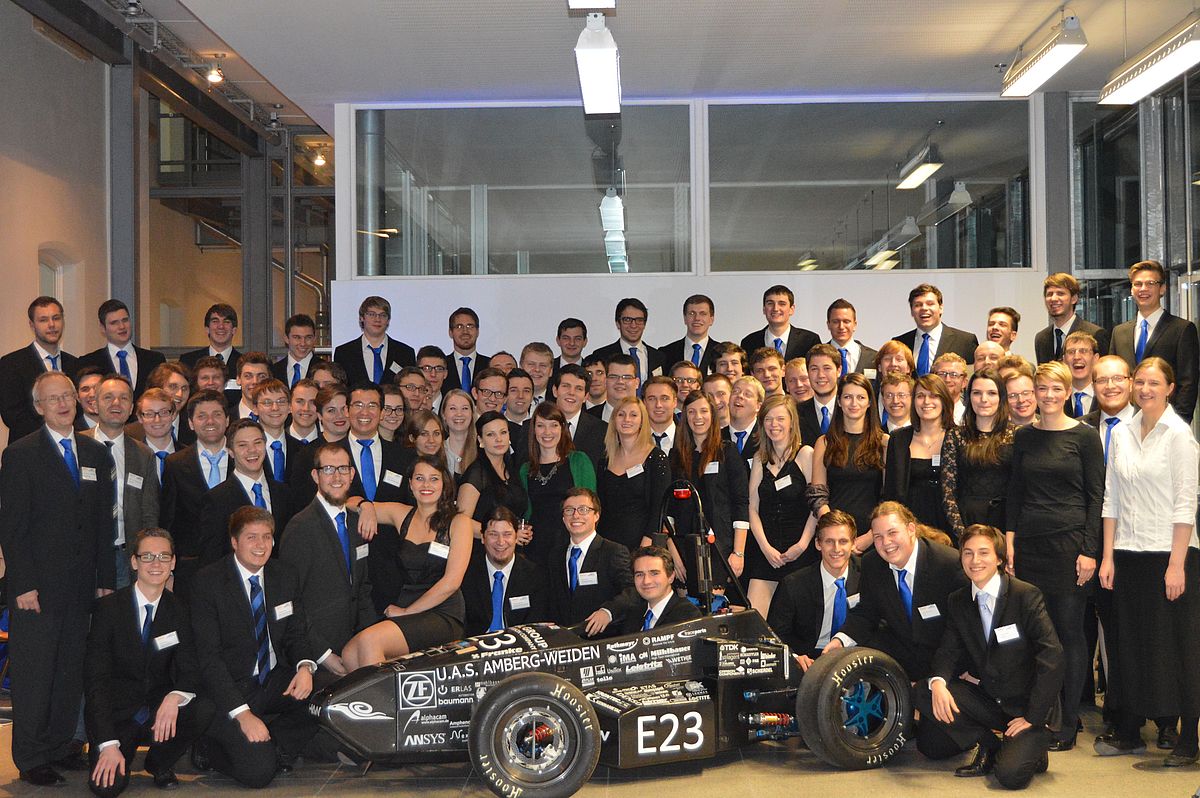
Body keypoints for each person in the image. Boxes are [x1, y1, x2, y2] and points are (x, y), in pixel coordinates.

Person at [1, 370, 116, 786]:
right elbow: (13, 527)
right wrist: (23, 585)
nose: (64, 404)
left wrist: (105, 579)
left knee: (70, 670)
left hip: (83, 586)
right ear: (39, 407)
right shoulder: (21, 454)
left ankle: (61, 746)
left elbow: (103, 524)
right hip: (37, 589)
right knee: (36, 674)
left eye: (68, 395)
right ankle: (32, 757)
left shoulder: (96, 453)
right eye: (53, 399)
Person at [1098, 357, 1200, 766]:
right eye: (1139, 382)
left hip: (1170, 555)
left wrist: (1176, 565)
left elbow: (1186, 503)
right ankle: (1130, 732)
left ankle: (1188, 739)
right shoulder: (1121, 433)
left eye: (1154, 383)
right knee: (1130, 646)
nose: (1144, 389)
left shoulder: (1179, 435)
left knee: (1178, 650)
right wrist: (1108, 556)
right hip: (1128, 553)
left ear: (1170, 388)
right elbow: (1111, 498)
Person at [915, 525, 1063, 789]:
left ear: (999, 559)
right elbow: (948, 650)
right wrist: (938, 682)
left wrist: (1033, 716)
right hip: (989, 699)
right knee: (924, 691)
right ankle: (989, 744)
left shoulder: (1025, 595)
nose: (975, 560)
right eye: (968, 553)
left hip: (1026, 706)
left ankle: (1034, 747)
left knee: (1010, 776)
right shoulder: (958, 600)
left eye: (983, 553)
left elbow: (1052, 657)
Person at [1006, 360, 1104, 751]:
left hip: (1069, 547)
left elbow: (1096, 497)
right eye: (1041, 388)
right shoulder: (1024, 436)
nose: (1047, 395)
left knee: (1069, 633)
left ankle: (1069, 721)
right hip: (1030, 546)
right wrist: (1010, 542)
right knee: (1036, 634)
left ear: (1067, 393)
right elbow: (1015, 493)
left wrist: (1089, 551)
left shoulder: (1085, 437)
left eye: (1055, 388)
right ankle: (1042, 712)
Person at [188, 507, 320, 787]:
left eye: (267, 536)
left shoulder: (285, 575)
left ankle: (276, 746)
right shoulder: (207, 582)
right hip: (230, 688)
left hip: (271, 680)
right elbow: (209, 660)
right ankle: (209, 747)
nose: (261, 545)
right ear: (234, 542)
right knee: (258, 774)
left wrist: (305, 667)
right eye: (252, 537)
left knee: (328, 694)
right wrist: (243, 713)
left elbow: (296, 634)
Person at [84, 528, 216, 797]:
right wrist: (107, 743)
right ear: (134, 562)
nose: (156, 564)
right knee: (106, 788)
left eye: (164, 556)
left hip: (158, 713)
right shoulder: (108, 609)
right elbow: (96, 681)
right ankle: (116, 750)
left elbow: (191, 668)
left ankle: (159, 763)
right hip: (116, 717)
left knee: (203, 707)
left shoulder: (180, 610)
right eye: (147, 556)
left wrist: (175, 696)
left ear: (173, 562)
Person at [340, 456, 472, 668]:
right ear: (410, 484)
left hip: (442, 612)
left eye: (434, 479)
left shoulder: (459, 522)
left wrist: (407, 612)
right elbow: (348, 502)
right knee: (349, 654)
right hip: (406, 604)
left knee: (370, 641)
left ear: (444, 484)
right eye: (419, 478)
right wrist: (366, 506)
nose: (426, 485)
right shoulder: (401, 514)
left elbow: (451, 583)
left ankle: (385, 692)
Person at [825, 501, 967, 681]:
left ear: (911, 529)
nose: (886, 543)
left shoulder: (948, 563)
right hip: (901, 659)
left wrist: (947, 675)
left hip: (947, 663)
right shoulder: (872, 564)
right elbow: (866, 613)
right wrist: (840, 640)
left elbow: (963, 627)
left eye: (892, 533)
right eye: (878, 537)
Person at [278, 444, 377, 684]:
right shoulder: (299, 528)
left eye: (343, 469)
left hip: (358, 648)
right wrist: (323, 655)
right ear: (316, 476)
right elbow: (292, 600)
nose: (337, 477)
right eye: (329, 469)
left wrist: (372, 639)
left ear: (352, 474)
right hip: (320, 657)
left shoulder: (356, 523)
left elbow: (362, 588)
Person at [83, 375, 160, 589]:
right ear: (95, 404)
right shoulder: (76, 446)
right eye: (108, 397)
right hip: (85, 556)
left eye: (124, 398)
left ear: (131, 408)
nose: (116, 403)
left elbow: (149, 513)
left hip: (125, 557)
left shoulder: (144, 454)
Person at [746, 395, 817, 615]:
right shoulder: (759, 458)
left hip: (800, 552)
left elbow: (816, 505)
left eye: (780, 419)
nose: (773, 424)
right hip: (766, 552)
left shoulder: (805, 454)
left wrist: (802, 545)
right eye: (768, 419)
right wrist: (765, 548)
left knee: (796, 620)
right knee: (754, 620)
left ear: (791, 422)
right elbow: (752, 507)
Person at [669, 392, 750, 585]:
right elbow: (669, 511)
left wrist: (738, 553)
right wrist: (674, 553)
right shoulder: (676, 456)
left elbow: (740, 503)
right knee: (687, 603)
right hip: (684, 547)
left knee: (714, 601)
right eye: (691, 412)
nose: (698, 417)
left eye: (704, 411)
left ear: (712, 414)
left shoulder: (727, 451)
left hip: (720, 547)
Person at [766, 510, 861, 668]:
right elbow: (775, 635)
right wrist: (794, 657)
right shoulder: (794, 584)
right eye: (829, 541)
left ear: (853, 543)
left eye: (843, 541)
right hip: (810, 658)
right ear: (818, 544)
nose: (836, 548)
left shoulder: (867, 575)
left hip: (856, 655)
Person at [159, 390, 230, 596]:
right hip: (191, 568)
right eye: (201, 416)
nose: (210, 421)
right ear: (190, 423)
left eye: (217, 414)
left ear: (227, 419)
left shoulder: (244, 458)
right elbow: (169, 521)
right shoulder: (175, 464)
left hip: (236, 563)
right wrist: (169, 570)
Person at [1109, 260, 1198, 422]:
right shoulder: (1119, 332)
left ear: (1162, 288)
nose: (1143, 289)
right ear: (1132, 289)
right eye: (1138, 284)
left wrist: (1179, 422)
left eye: (1150, 283)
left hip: (1165, 421)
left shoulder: (1182, 329)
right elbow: (1113, 376)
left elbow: (1188, 383)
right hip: (1125, 421)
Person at [197, 419, 293, 565]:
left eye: (257, 443)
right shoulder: (216, 499)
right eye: (243, 445)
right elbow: (211, 557)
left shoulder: (284, 493)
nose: (252, 450)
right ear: (230, 452)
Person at [811, 373, 888, 550]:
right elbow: (817, 495)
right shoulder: (824, 442)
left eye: (861, 397)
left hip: (874, 535)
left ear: (870, 402)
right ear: (839, 401)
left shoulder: (884, 443)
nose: (854, 403)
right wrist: (835, 532)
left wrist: (871, 536)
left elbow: (889, 496)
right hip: (834, 536)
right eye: (847, 397)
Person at [546, 488, 638, 634]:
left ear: (596, 515)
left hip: (603, 638)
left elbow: (633, 591)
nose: (576, 515)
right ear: (563, 518)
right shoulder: (555, 555)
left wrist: (608, 612)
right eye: (569, 510)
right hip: (565, 639)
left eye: (583, 509)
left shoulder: (613, 551)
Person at [942, 368, 1016, 545]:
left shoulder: (1017, 435)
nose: (984, 399)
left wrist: (1012, 534)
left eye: (991, 393)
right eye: (977, 393)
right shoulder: (955, 436)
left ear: (1001, 398)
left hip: (1006, 524)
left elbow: (1021, 489)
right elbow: (948, 492)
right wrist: (964, 535)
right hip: (966, 522)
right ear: (969, 397)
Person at [519, 402, 596, 568]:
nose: (547, 432)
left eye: (553, 425)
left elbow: (591, 507)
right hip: (535, 550)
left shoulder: (579, 461)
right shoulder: (525, 470)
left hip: (570, 546)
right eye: (541, 426)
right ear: (534, 430)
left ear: (562, 428)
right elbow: (524, 512)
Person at [0, 296, 80, 443]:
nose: (52, 325)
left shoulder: (75, 363)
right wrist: (55, 432)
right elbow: (12, 415)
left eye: (56, 318)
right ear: (32, 325)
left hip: (71, 445)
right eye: (43, 320)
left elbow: (79, 410)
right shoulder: (11, 364)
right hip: (29, 448)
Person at [596, 397, 671, 552]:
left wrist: (648, 540)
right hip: (608, 543)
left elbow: (659, 505)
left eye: (633, 415)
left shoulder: (656, 458)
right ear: (614, 420)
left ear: (642, 421)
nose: (627, 419)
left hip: (642, 544)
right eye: (621, 414)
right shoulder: (605, 460)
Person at [461, 507, 548, 635]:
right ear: (483, 537)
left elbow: (537, 625)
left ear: (516, 537)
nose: (500, 542)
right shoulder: (465, 573)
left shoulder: (535, 575)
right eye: (493, 534)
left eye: (507, 534)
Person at [883, 374, 952, 533]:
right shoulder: (898, 439)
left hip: (948, 524)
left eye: (933, 396)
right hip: (909, 526)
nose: (926, 402)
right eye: (920, 396)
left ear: (944, 400)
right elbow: (891, 492)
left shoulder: (957, 437)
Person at [78, 299, 165, 401]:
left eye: (125, 320)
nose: (122, 326)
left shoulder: (155, 359)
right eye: (114, 323)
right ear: (102, 328)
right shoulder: (88, 362)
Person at [458, 411, 528, 535]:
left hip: (511, 545)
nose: (499, 439)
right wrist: (505, 534)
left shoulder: (512, 469)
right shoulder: (476, 473)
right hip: (483, 544)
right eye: (491, 434)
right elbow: (461, 521)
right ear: (480, 440)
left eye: (503, 432)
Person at [893, 283, 979, 376]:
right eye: (918, 305)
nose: (924, 308)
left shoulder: (965, 341)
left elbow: (973, 377)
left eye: (930, 304)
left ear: (941, 308)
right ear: (912, 311)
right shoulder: (900, 343)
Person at [332, 296, 416, 386]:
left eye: (383, 315)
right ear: (361, 318)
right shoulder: (344, 353)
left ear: (388, 320)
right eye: (371, 314)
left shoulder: (405, 353)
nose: (377, 319)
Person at [618, 546, 702, 633]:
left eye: (654, 573)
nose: (646, 581)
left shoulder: (687, 615)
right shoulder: (632, 616)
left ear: (671, 577)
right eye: (640, 575)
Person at [1034, 272, 1109, 364]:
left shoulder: (1095, 334)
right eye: (1049, 294)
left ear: (1074, 298)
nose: (1053, 298)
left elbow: (1102, 370)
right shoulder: (1041, 338)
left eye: (1060, 293)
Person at [738, 284, 820, 361]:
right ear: (764, 309)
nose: (775, 308)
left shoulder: (809, 341)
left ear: (791, 309)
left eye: (782, 304)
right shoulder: (749, 342)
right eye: (770, 303)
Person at [592, 298, 664, 381]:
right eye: (627, 320)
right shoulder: (602, 355)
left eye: (639, 320)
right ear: (618, 323)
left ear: (644, 324)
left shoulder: (659, 357)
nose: (633, 325)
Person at [550, 364, 606, 468]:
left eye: (579, 389)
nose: (571, 393)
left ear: (586, 396)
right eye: (566, 386)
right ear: (555, 390)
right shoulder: (533, 426)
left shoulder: (602, 430)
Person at [179, 303, 242, 381]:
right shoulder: (188, 361)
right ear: (207, 329)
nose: (221, 326)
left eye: (226, 322)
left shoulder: (244, 364)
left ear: (234, 330)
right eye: (215, 321)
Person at [659, 294, 719, 374]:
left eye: (703, 314)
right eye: (692, 313)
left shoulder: (720, 353)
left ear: (711, 319)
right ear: (685, 318)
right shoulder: (666, 353)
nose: (697, 318)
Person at [251, 379, 296, 485]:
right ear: (255, 408)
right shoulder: (247, 450)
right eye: (267, 402)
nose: (275, 408)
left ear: (290, 407)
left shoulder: (301, 450)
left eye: (281, 401)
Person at [129, 388, 179, 482]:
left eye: (163, 412)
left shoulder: (190, 457)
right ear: (140, 418)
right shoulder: (130, 457)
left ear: (173, 415)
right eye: (149, 414)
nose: (157, 420)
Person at [1081, 355, 1136, 440]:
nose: (1110, 386)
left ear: (1131, 384)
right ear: (1093, 388)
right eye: (1102, 380)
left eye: (1118, 378)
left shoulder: (1147, 423)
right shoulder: (1079, 427)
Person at [798, 344, 841, 446]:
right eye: (814, 369)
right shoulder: (796, 413)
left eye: (827, 368)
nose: (821, 375)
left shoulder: (851, 409)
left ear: (839, 371)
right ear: (808, 372)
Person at [825, 298, 878, 376]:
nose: (841, 326)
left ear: (855, 325)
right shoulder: (817, 357)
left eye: (846, 321)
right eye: (836, 322)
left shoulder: (873, 358)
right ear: (828, 325)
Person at [443, 307, 491, 392]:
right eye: (459, 326)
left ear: (477, 331)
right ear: (450, 332)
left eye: (470, 326)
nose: (465, 331)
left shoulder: (489, 365)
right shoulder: (442, 366)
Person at [587, 353, 639, 422]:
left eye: (627, 377)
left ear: (637, 383)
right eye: (614, 377)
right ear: (605, 381)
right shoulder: (587, 417)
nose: (620, 381)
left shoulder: (648, 416)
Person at [270, 313, 318, 387]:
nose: (303, 343)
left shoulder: (325, 370)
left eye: (308, 337)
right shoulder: (273, 371)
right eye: (297, 337)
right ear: (286, 338)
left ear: (314, 339)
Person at [726, 375, 764, 467]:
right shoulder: (715, 437)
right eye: (735, 391)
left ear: (758, 406)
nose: (740, 396)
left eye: (747, 394)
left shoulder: (766, 438)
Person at [440, 388, 477, 477]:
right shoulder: (436, 452)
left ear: (472, 414)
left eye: (465, 408)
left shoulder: (483, 451)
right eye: (453, 408)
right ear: (444, 414)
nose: (459, 414)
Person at [229, 353, 271, 419]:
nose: (255, 381)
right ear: (238, 379)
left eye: (262, 376)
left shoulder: (281, 418)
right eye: (248, 376)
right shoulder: (226, 419)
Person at [643, 375, 678, 452]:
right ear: (644, 403)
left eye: (664, 398)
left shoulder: (690, 439)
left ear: (675, 402)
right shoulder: (633, 439)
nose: (658, 405)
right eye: (652, 399)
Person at [931, 352, 968, 424]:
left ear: (964, 382)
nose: (947, 380)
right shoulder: (924, 415)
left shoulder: (969, 419)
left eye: (954, 374)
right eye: (941, 374)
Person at [416, 346, 451, 412]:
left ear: (445, 373)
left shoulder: (452, 407)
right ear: (417, 371)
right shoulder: (406, 407)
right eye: (427, 368)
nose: (433, 374)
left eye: (439, 369)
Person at [287, 378, 320, 444]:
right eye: (299, 401)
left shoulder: (329, 442)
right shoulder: (279, 442)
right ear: (290, 406)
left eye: (313, 402)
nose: (306, 408)